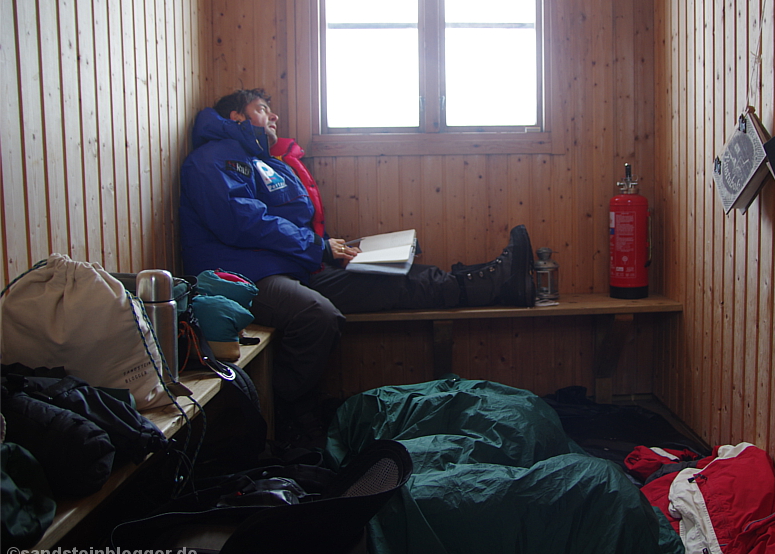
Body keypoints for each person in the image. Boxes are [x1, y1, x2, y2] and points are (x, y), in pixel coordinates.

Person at [178, 89, 535, 442]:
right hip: (244, 278)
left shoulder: (264, 161)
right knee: (317, 316)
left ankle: (492, 282)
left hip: (295, 266)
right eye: (263, 109)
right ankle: (291, 415)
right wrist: (318, 247)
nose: (273, 117)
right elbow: (241, 220)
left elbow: (288, 220)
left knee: (391, 275)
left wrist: (336, 248)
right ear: (236, 117)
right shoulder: (215, 157)